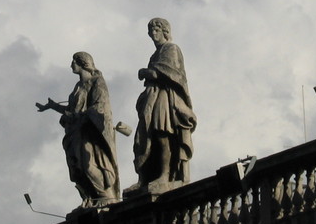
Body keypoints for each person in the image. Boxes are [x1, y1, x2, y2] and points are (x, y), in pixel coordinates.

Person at [36, 52, 122, 208]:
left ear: (83, 63)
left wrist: (78, 117)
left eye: (73, 62)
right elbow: (71, 109)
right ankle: (91, 198)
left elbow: (99, 107)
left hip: (89, 131)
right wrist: (53, 106)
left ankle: (105, 196)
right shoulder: (78, 86)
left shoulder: (97, 82)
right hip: (74, 131)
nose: (71, 65)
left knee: (90, 164)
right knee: (77, 167)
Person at [132, 18, 196, 192]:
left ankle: (165, 174)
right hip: (153, 97)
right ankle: (145, 177)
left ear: (165, 31)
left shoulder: (171, 49)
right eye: (151, 31)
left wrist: (149, 72)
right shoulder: (155, 54)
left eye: (157, 30)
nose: (153, 34)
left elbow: (174, 74)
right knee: (146, 136)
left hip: (167, 97)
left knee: (162, 133)